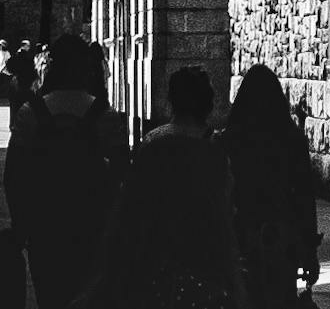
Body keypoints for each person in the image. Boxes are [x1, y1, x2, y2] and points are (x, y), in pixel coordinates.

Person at [87, 66, 246, 309]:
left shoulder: (153, 144)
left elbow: (132, 208)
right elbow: (225, 215)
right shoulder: (216, 150)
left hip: (155, 264)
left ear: (172, 99)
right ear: (209, 102)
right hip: (206, 262)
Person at [4, 29, 129, 309]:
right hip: (92, 221)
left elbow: (13, 174)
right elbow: (123, 174)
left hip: (44, 221)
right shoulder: (105, 116)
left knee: (50, 295)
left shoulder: (31, 112)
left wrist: (20, 222)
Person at [223, 65, 320, 309]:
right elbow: (304, 196)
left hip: (241, 234)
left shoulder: (229, 140)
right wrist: (309, 248)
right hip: (280, 236)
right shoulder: (291, 139)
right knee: (280, 296)